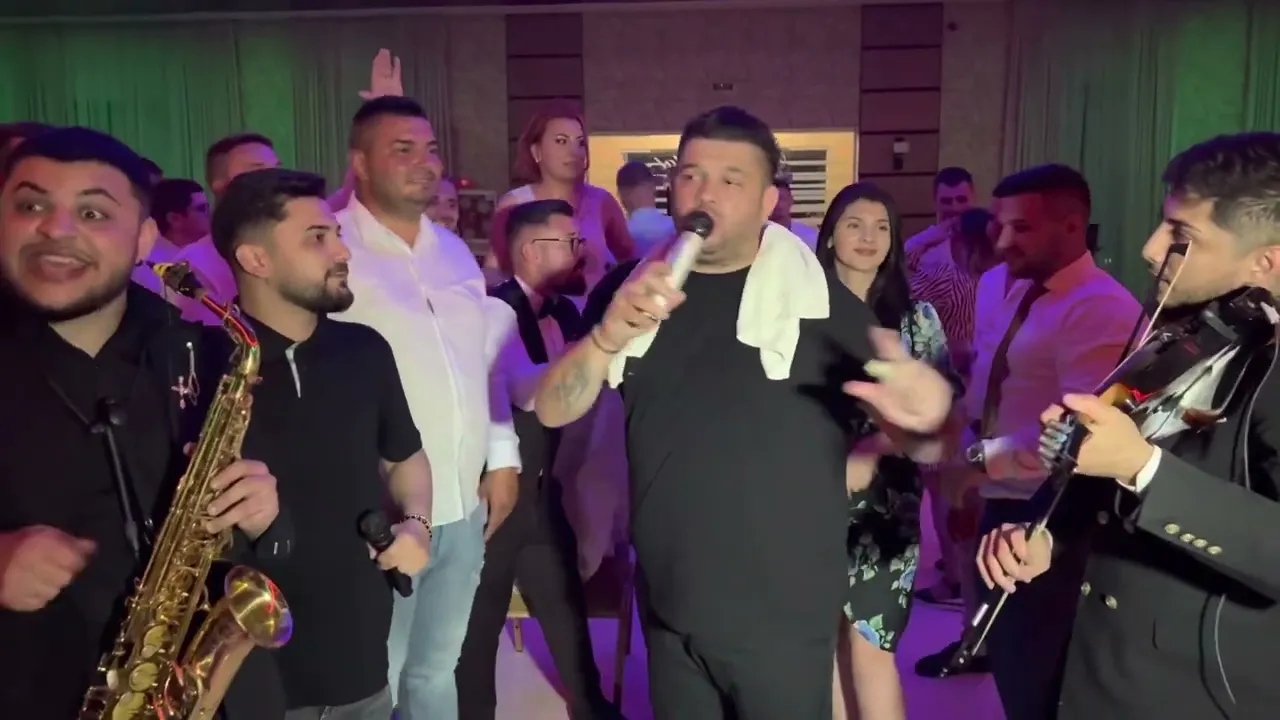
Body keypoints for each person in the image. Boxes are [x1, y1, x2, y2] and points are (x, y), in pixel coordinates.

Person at [532, 106, 955, 718]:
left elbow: (929, 441)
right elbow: (551, 409)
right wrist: (604, 338)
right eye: (690, 175)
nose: (705, 194)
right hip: (669, 608)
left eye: (731, 179)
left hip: (781, 618)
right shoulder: (633, 289)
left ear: (767, 202)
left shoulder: (818, 304)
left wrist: (924, 416)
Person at [980, 132, 1280, 719]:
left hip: (1199, 691)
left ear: (1264, 261)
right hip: (1095, 664)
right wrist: (1047, 535)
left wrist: (1143, 466)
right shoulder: (1184, 330)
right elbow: (1110, 481)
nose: (1150, 248)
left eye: (1181, 236)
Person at [0, 127, 290, 720]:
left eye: (92, 212)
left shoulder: (209, 353)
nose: (56, 229)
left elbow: (284, 538)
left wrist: (265, 516)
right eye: (31, 206)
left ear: (144, 239)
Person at [915, 165, 1141, 716]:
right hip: (999, 491)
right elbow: (992, 378)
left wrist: (974, 461)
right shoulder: (1007, 283)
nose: (1001, 241)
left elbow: (1075, 433)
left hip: (1049, 514)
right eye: (1000, 225)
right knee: (1008, 653)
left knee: (1036, 669)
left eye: (1022, 228)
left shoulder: (1101, 307)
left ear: (1072, 227)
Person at [209, 167, 434, 719]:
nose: (342, 251)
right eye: (317, 238)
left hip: (359, 659)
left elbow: (404, 457)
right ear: (255, 259)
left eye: (335, 233)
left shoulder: (365, 349)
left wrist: (417, 525)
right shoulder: (198, 361)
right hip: (247, 675)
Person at [331, 95, 522, 720]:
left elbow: (484, 362)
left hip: (462, 505)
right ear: (360, 163)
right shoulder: (333, 248)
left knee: (437, 671)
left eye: (431, 149)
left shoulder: (453, 251)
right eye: (402, 149)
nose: (426, 163)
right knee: (375, 676)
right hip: (379, 511)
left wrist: (503, 457)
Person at [456, 199, 620, 719]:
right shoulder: (496, 312)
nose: (580, 251)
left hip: (545, 493)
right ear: (530, 250)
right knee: (480, 624)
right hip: (498, 495)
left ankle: (592, 709)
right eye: (569, 242)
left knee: (566, 607)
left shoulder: (564, 310)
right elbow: (518, 395)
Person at [817, 183, 956, 720]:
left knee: (871, 647)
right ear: (830, 235)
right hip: (808, 491)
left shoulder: (916, 318)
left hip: (885, 503)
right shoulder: (802, 313)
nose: (868, 237)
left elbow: (944, 415)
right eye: (854, 224)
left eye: (881, 228)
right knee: (826, 644)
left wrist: (875, 447)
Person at [491, 102, 635, 291]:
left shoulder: (602, 201)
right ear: (536, 152)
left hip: (594, 309)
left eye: (580, 143)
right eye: (561, 141)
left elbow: (631, 261)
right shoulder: (514, 203)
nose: (574, 151)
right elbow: (493, 270)